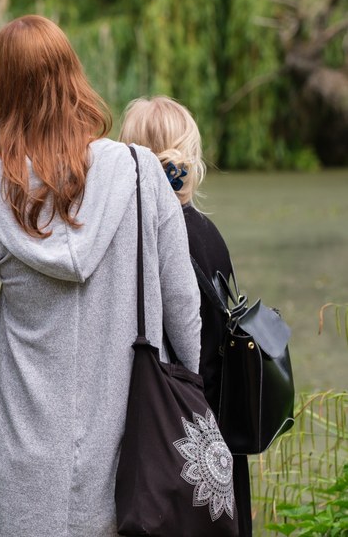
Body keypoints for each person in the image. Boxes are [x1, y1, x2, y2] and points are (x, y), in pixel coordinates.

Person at [0, 15, 203, 536]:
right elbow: (183, 307)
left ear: (8, 90)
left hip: (19, 462)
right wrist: (198, 407)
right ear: (73, 76)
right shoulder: (138, 172)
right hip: (129, 454)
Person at [119, 95, 252, 536]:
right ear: (190, 157)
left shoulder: (148, 242)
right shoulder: (207, 232)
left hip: (175, 439)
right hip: (217, 435)